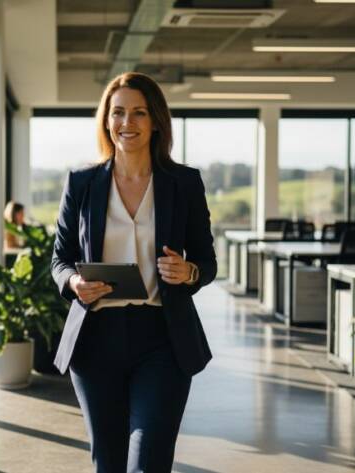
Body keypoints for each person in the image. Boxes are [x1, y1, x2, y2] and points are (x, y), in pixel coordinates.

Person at [51, 72, 216, 472]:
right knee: (107, 462)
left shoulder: (184, 183)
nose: (128, 123)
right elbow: (60, 260)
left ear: (156, 120)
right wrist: (74, 282)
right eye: (119, 112)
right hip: (96, 340)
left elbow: (207, 263)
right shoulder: (82, 184)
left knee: (149, 460)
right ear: (107, 121)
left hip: (163, 339)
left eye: (139, 113)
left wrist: (188, 271)